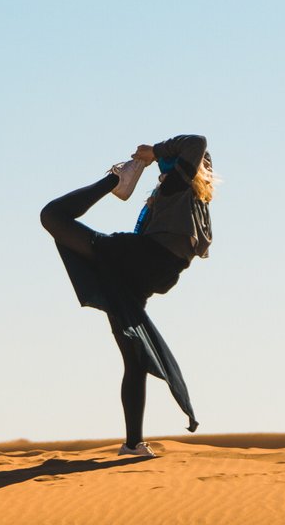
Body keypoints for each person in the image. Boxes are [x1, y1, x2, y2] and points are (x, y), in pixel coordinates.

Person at [39, 135, 214, 456]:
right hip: (143, 274)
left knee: (52, 215)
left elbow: (197, 142)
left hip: (145, 258)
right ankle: (133, 444)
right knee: (133, 360)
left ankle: (116, 178)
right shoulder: (187, 199)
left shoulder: (179, 187)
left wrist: (152, 153)